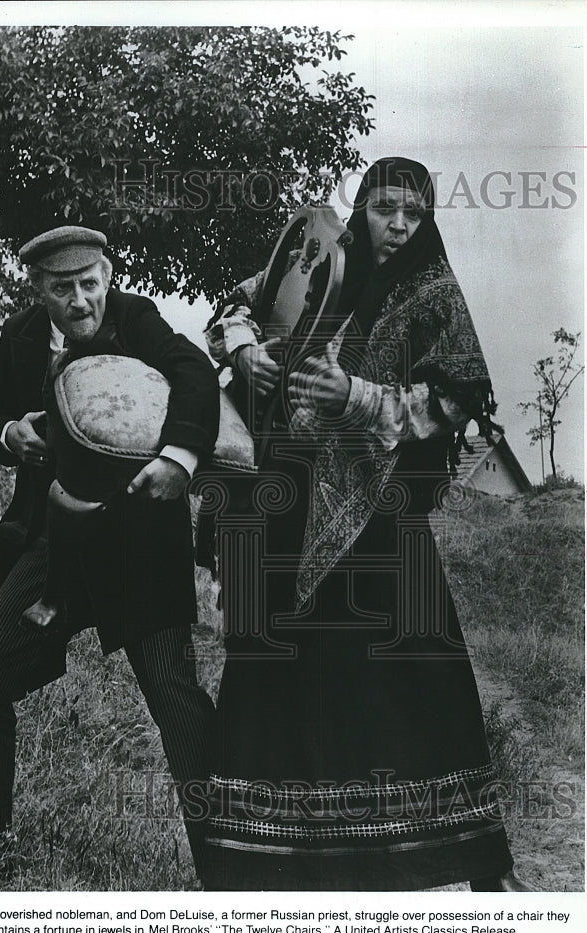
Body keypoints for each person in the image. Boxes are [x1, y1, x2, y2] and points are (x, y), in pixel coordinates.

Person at [201, 157, 530, 891]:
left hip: (377, 518)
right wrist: (246, 347)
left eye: (414, 213)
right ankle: (269, 859)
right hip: (285, 507)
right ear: (362, 211)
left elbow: (456, 397)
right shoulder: (322, 263)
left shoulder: (434, 294)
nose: (400, 226)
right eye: (386, 209)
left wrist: (360, 397)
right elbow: (237, 306)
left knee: (421, 674)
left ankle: (476, 859)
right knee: (280, 671)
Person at [0, 226, 219, 882]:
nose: (78, 301)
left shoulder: (136, 318)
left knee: (175, 702)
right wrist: (9, 432)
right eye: (61, 288)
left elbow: (194, 373)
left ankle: (235, 868)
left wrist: (178, 456)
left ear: (108, 277)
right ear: (38, 290)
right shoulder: (20, 335)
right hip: (55, 546)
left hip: (139, 545)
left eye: (88, 284)